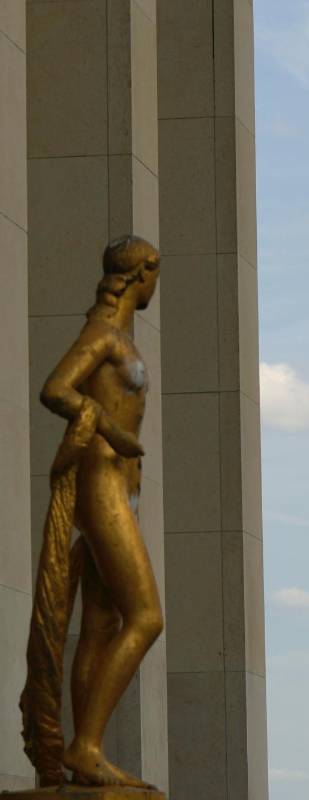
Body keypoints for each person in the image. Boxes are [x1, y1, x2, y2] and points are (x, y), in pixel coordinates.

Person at [21, 236, 163, 788]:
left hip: (121, 487)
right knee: (147, 617)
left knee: (102, 624)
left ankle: (88, 754)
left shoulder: (119, 337)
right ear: (140, 275)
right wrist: (109, 428)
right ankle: (86, 745)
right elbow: (55, 389)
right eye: (155, 275)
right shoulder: (102, 336)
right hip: (100, 482)